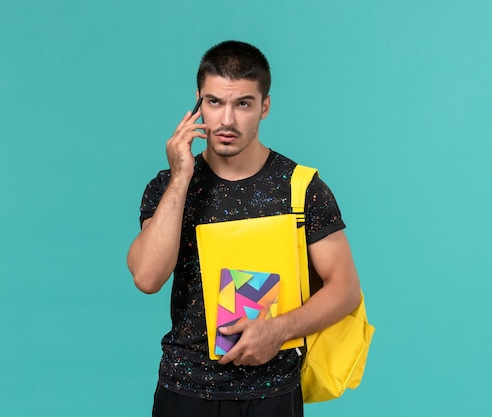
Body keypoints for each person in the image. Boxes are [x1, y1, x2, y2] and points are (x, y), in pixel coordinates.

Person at [127, 40, 361, 417]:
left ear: (264, 107)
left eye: (243, 104)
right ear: (198, 102)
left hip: (272, 393)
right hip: (184, 391)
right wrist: (181, 176)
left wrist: (277, 331)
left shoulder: (301, 188)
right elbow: (147, 277)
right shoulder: (168, 186)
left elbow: (346, 290)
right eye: (215, 102)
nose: (227, 121)